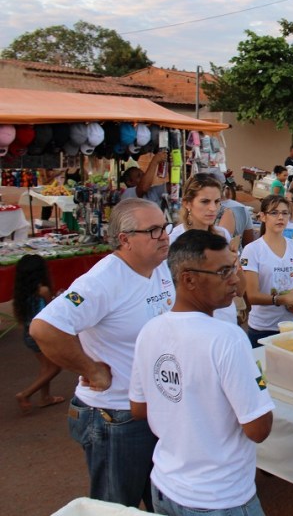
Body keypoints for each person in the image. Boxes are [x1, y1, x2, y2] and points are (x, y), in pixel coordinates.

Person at [30, 198, 175, 508]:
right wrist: (91, 368)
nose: (163, 235)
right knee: (114, 506)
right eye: (152, 230)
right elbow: (44, 328)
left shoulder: (159, 266)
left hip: (153, 408)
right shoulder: (102, 282)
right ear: (124, 240)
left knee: (159, 498)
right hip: (115, 416)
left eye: (164, 226)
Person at [129, 230, 274, 515]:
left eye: (233, 268)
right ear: (188, 279)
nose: (234, 279)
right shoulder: (227, 338)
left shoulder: (150, 331)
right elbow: (258, 428)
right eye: (222, 272)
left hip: (166, 485)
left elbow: (138, 407)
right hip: (220, 496)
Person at [242, 195, 293, 348]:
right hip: (263, 328)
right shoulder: (252, 250)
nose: (280, 217)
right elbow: (252, 296)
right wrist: (283, 300)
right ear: (262, 216)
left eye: (285, 213)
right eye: (274, 213)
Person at [169, 174, 240, 325]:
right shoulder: (175, 240)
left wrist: (235, 263)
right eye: (205, 201)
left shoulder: (222, 235)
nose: (212, 208)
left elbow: (239, 287)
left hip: (225, 317)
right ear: (188, 203)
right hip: (192, 321)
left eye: (217, 201)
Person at [13, 254, 64, 414]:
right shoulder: (43, 290)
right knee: (55, 367)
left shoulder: (21, 293)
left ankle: (46, 397)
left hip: (29, 334)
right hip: (42, 333)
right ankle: (25, 394)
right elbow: (52, 310)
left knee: (45, 366)